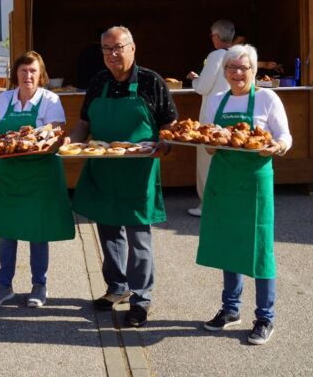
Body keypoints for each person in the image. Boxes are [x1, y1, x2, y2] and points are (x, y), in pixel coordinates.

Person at [67, 26, 177, 328]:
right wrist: (70, 142)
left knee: (139, 238)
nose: (112, 54)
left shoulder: (151, 82)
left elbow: (169, 125)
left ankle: (141, 299)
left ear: (132, 48)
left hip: (138, 172)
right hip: (103, 169)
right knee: (108, 231)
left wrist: (164, 144)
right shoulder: (98, 81)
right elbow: (84, 123)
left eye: (118, 47)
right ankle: (117, 287)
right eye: (106, 49)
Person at [196, 44, 291, 346]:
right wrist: (209, 145)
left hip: (254, 182)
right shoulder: (217, 100)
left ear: (253, 70)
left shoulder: (267, 98)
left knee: (260, 247)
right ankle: (230, 309)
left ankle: (265, 317)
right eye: (231, 68)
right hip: (223, 180)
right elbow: (209, 139)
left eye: (243, 67)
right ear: (224, 71)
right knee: (228, 244)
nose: (237, 73)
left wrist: (278, 146)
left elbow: (284, 136)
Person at [0, 51, 75, 309]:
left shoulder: (50, 100)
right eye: (23, 70)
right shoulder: (5, 99)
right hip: (9, 176)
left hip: (39, 176)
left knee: (38, 231)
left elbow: (55, 135)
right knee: (6, 230)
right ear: (16, 74)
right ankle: (4, 285)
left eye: (33, 70)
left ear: (41, 74)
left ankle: (39, 285)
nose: (28, 75)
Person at [185, 19, 234, 217]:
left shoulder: (215, 56)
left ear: (217, 37)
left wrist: (194, 79)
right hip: (232, 114)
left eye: (212, 35)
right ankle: (226, 202)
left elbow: (203, 87)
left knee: (207, 161)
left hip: (212, 117)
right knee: (228, 162)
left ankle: (207, 205)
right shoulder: (238, 55)